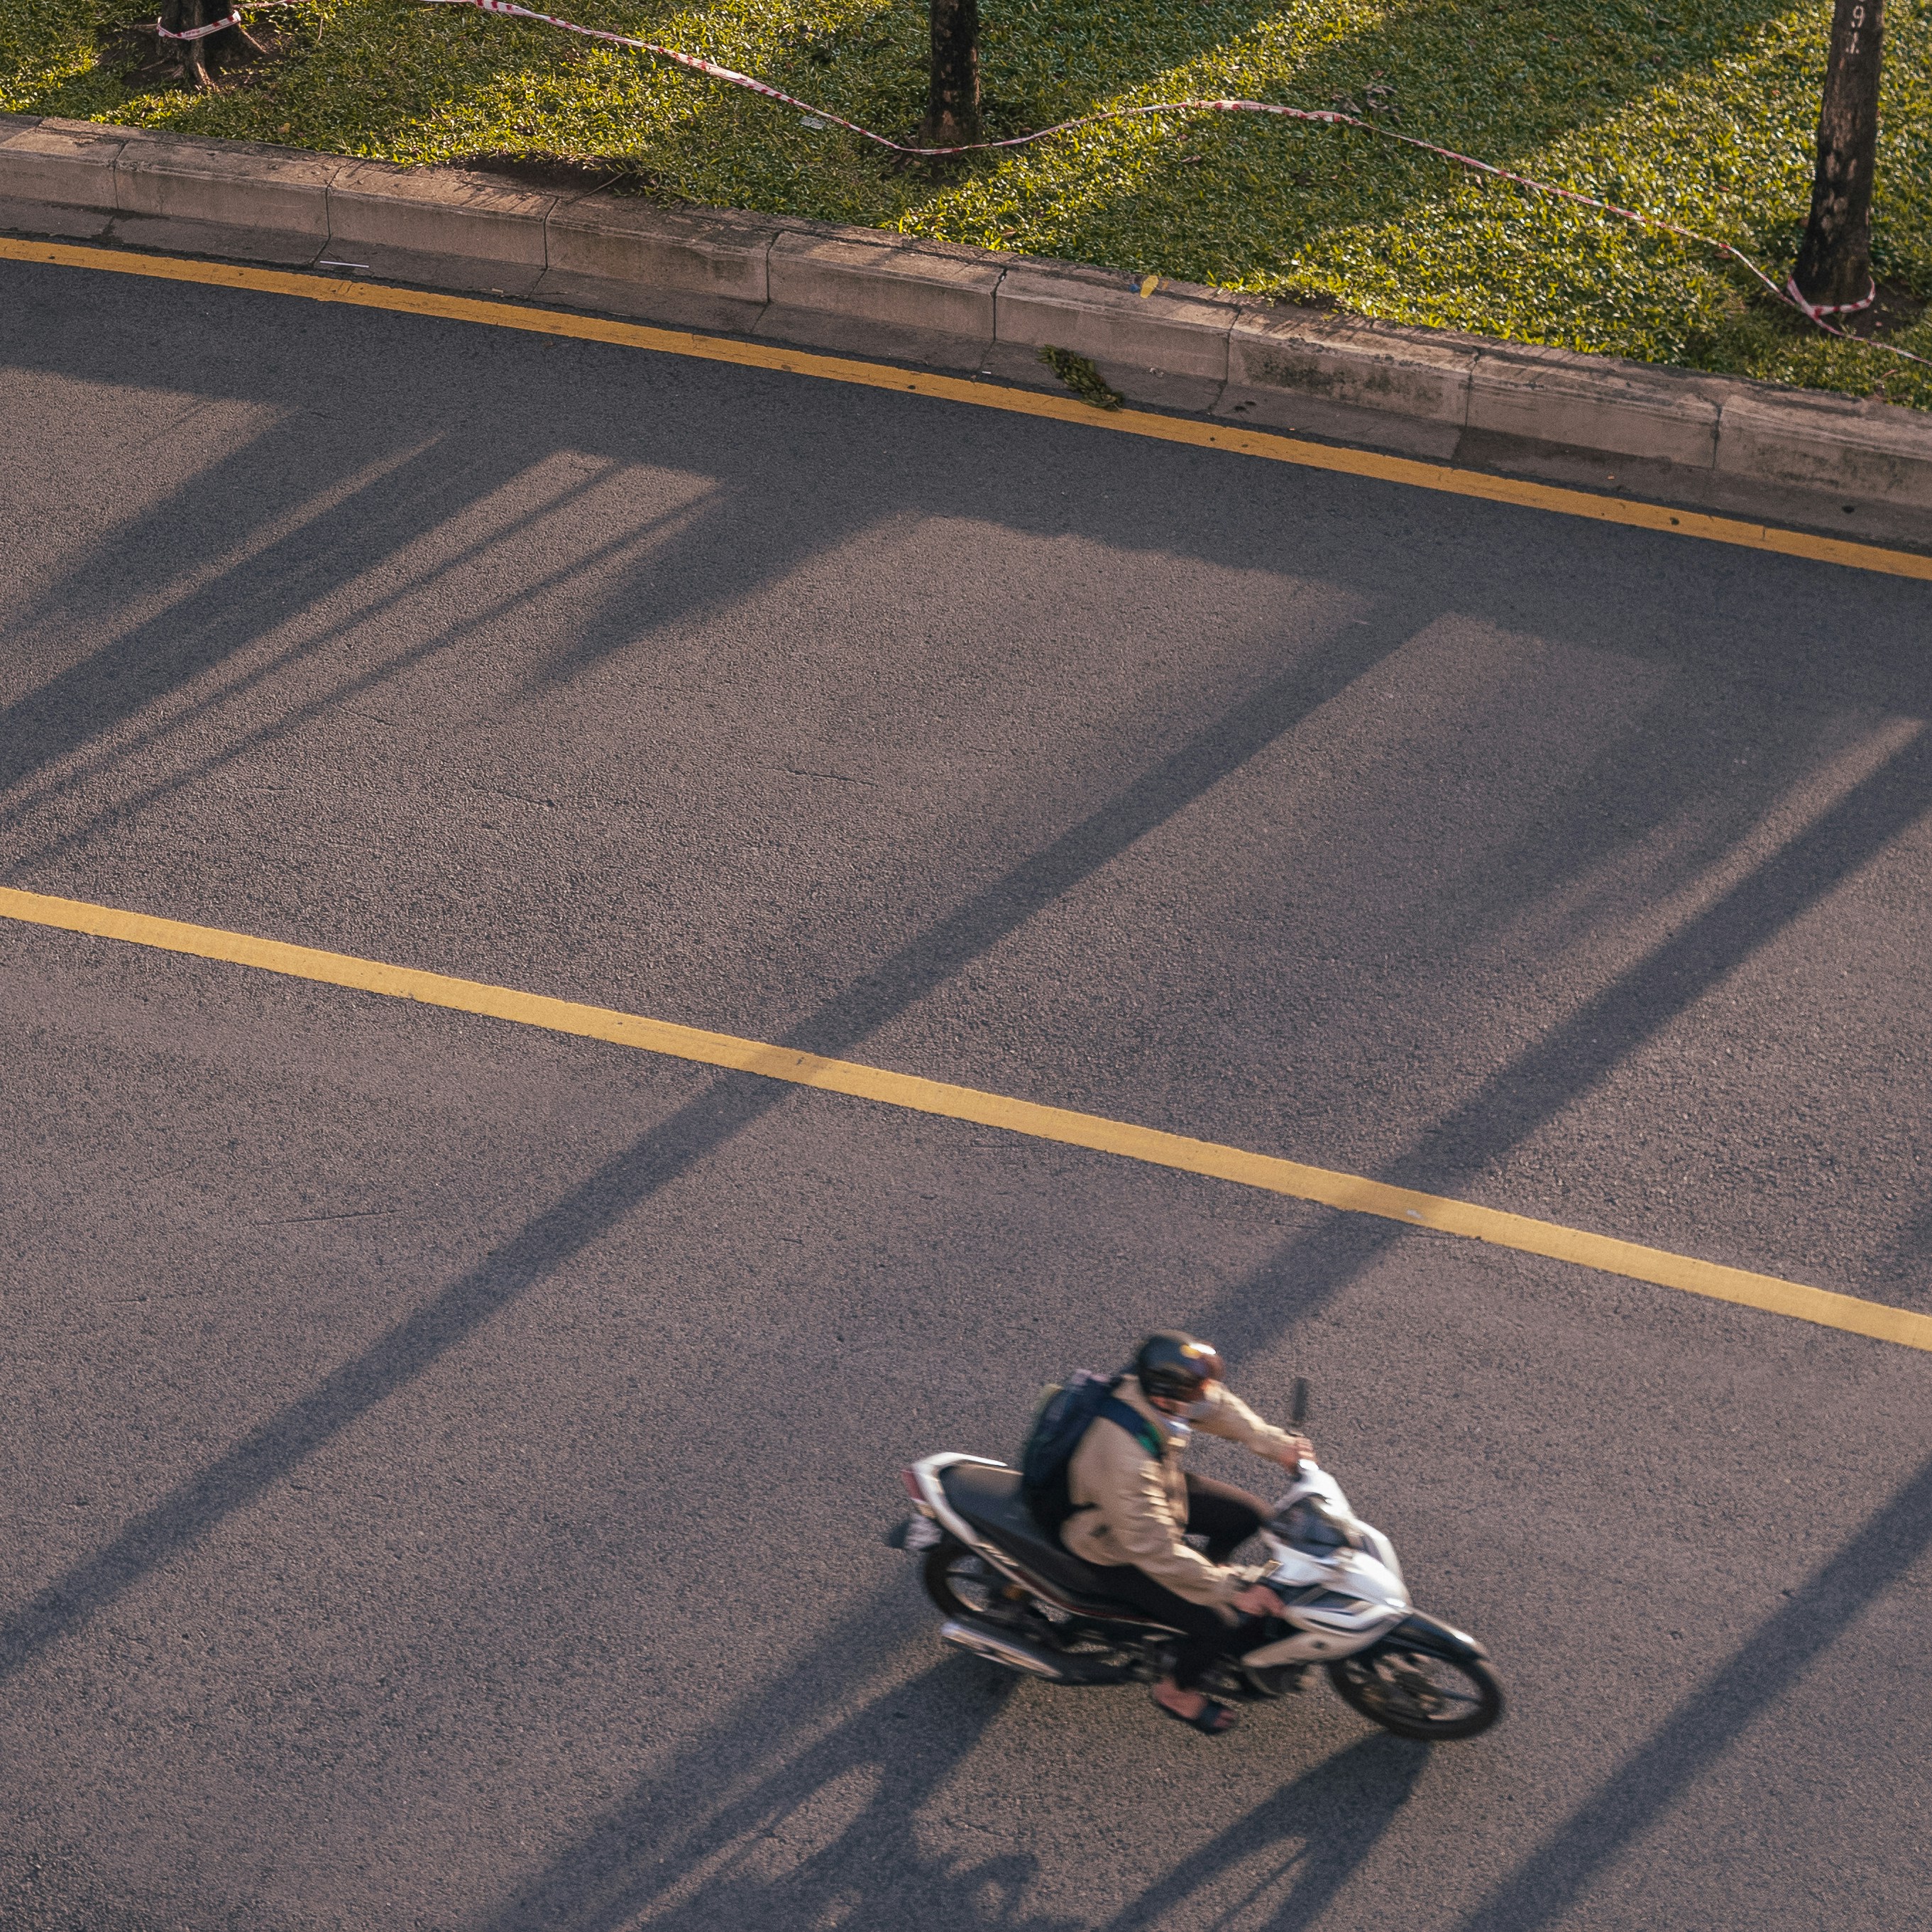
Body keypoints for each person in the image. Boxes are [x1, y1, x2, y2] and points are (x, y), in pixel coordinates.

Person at [1061, 1332, 1311, 1735]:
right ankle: (1176, 1691)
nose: (1206, 1393)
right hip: (1114, 1542)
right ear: (1165, 1396)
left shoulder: (1158, 1394)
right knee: (1223, 1625)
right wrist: (1231, 1590)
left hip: (1156, 1496)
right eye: (1198, 1388)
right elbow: (1153, 1549)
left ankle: (1208, 1573)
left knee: (1251, 1515)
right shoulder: (1124, 1456)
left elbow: (1217, 1406)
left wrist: (1276, 1445)